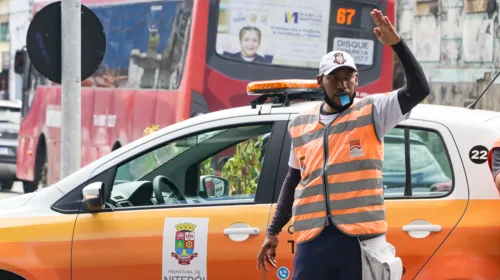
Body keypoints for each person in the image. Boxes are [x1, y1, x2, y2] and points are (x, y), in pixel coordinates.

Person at [256, 9, 430, 280]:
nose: (342, 84)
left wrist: (397, 44)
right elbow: (293, 180)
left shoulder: (373, 111)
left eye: (348, 77)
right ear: (320, 82)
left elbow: (418, 90)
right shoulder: (301, 124)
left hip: (359, 240)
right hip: (312, 241)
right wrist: (273, 231)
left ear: (356, 80)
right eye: (334, 78)